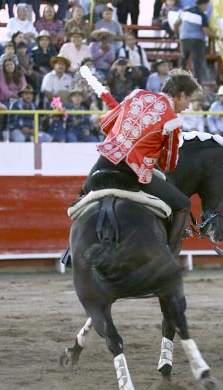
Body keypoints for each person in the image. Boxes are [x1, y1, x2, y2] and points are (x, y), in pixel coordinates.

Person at [84, 69, 202, 255]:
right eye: (189, 100)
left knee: (84, 194)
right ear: (181, 96)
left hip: (107, 159)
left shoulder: (136, 95)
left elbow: (106, 124)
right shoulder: (172, 122)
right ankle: (169, 256)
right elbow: (168, 164)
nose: (188, 106)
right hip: (135, 171)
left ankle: (70, 252)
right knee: (183, 205)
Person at [173, 0, 223, 83]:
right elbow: (206, 31)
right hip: (196, 41)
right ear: (203, 5)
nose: (207, 8)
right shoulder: (202, 15)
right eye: (207, 5)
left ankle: (178, 81)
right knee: (197, 63)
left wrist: (178, 34)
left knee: (183, 61)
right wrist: (219, 37)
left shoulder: (185, 11)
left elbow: (176, 24)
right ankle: (198, 83)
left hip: (184, 39)